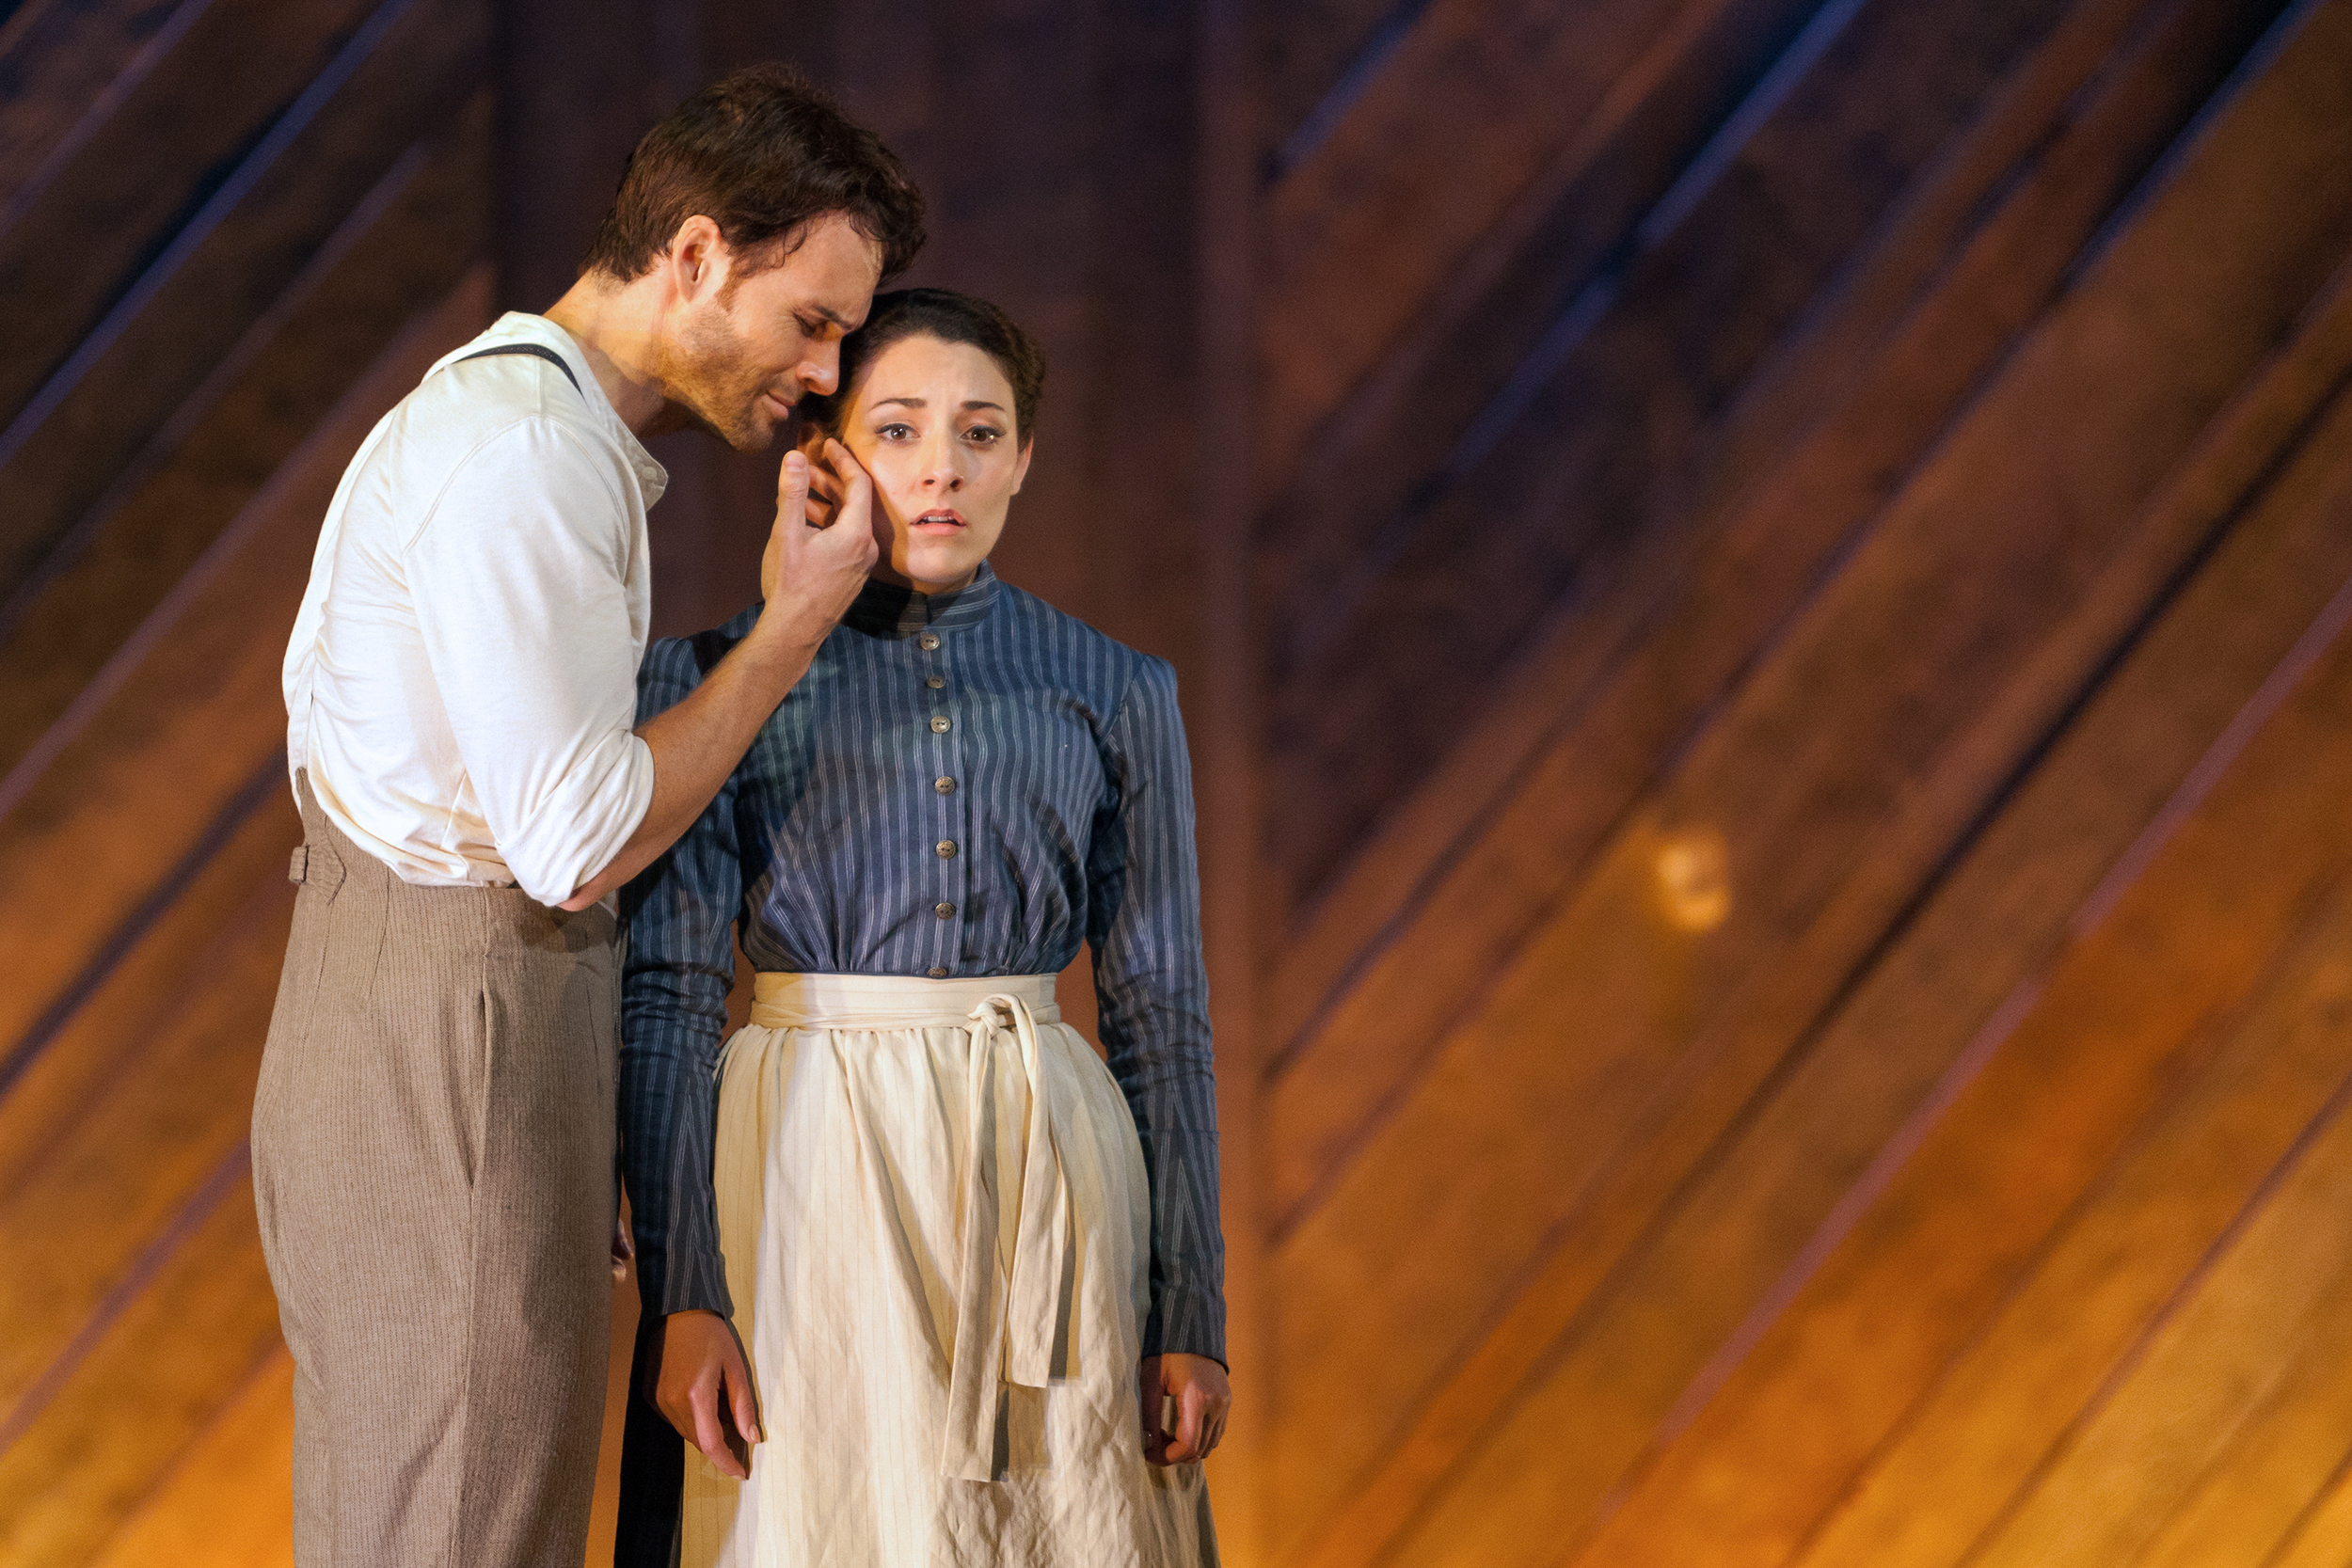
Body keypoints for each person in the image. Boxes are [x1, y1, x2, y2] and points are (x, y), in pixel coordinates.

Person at [251, 66, 924, 1568]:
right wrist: (789, 627)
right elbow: (571, 838)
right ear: (693, 256)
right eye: (811, 320)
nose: (823, 372)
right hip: (449, 1040)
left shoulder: (536, 433)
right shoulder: (527, 456)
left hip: (449, 1026)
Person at [616, 287, 1229, 1566]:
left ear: (1024, 460)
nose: (942, 466)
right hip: (805, 1178)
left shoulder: (1115, 689)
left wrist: (1190, 1305)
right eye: (898, 429)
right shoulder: (710, 680)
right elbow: (669, 1002)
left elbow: (1160, 1007)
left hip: (1049, 1175)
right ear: (830, 454)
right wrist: (685, 1293)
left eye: (981, 432)